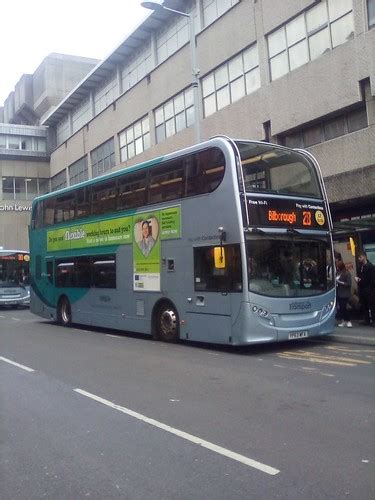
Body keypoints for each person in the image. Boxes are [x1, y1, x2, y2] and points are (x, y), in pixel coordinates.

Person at [355, 251, 375, 325]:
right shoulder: (360, 267)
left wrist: (361, 280)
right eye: (358, 257)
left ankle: (373, 320)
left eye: (360, 257)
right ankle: (367, 320)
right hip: (362, 290)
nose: (359, 259)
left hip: (369, 290)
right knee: (364, 305)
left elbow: (372, 280)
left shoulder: (371, 267)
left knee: (372, 306)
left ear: (364, 257)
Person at [336, 260, 352, 328]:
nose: (337, 267)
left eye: (338, 266)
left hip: (345, 293)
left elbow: (349, 284)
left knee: (344, 307)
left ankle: (348, 320)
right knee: (341, 308)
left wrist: (340, 282)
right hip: (339, 292)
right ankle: (343, 321)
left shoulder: (347, 273)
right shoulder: (338, 273)